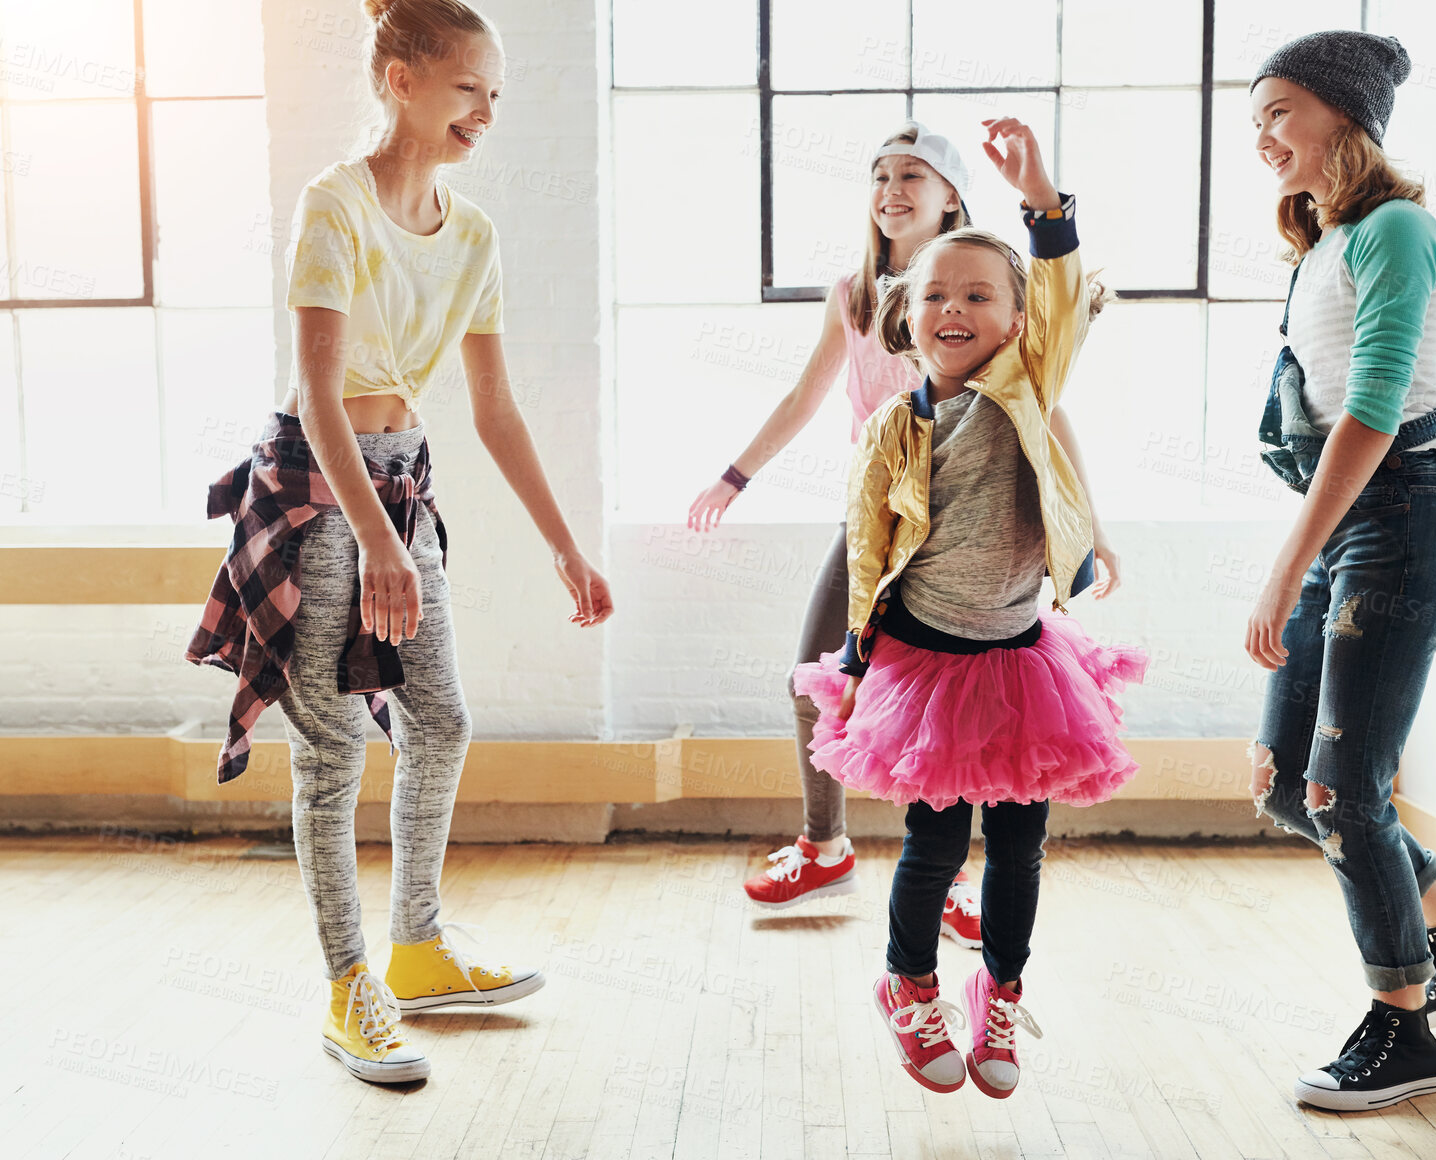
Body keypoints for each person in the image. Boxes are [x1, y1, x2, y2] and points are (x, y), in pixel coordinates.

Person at [187, 0, 612, 1085]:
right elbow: (322, 397)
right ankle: (348, 984)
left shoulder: (474, 235)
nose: (486, 110)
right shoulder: (332, 205)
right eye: (467, 86)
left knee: (444, 714)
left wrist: (565, 544)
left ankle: (418, 946)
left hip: (402, 487)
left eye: (497, 94)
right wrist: (375, 540)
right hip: (315, 487)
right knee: (331, 746)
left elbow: (496, 408)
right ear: (399, 80)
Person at [791, 117, 1144, 1098]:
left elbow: (1063, 293)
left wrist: (1039, 201)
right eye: (936, 293)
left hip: (1020, 655)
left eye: (979, 294)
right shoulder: (891, 432)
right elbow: (870, 557)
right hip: (926, 659)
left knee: (1022, 842)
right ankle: (906, 984)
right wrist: (857, 664)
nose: (953, 307)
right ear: (907, 318)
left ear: (1017, 319)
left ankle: (1001, 983)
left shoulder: (1022, 386)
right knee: (937, 839)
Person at [1242, 30, 1436, 1112]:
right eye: (1256, 118)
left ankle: (1402, 1025)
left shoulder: (1397, 229)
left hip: (1403, 528)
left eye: (1279, 110)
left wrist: (1285, 567)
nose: (1263, 135)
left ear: (1343, 115)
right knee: (1286, 782)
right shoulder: (1323, 243)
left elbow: (1375, 405)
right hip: (1355, 532)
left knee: (1343, 791)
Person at [688, 123, 984, 944]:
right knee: (815, 677)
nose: (891, 190)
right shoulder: (853, 293)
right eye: (881, 175)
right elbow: (805, 394)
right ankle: (824, 845)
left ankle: (955, 875)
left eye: (912, 176)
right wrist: (733, 475)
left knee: (943, 702)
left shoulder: (975, 285)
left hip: (958, 522)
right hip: (871, 518)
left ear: (949, 196)